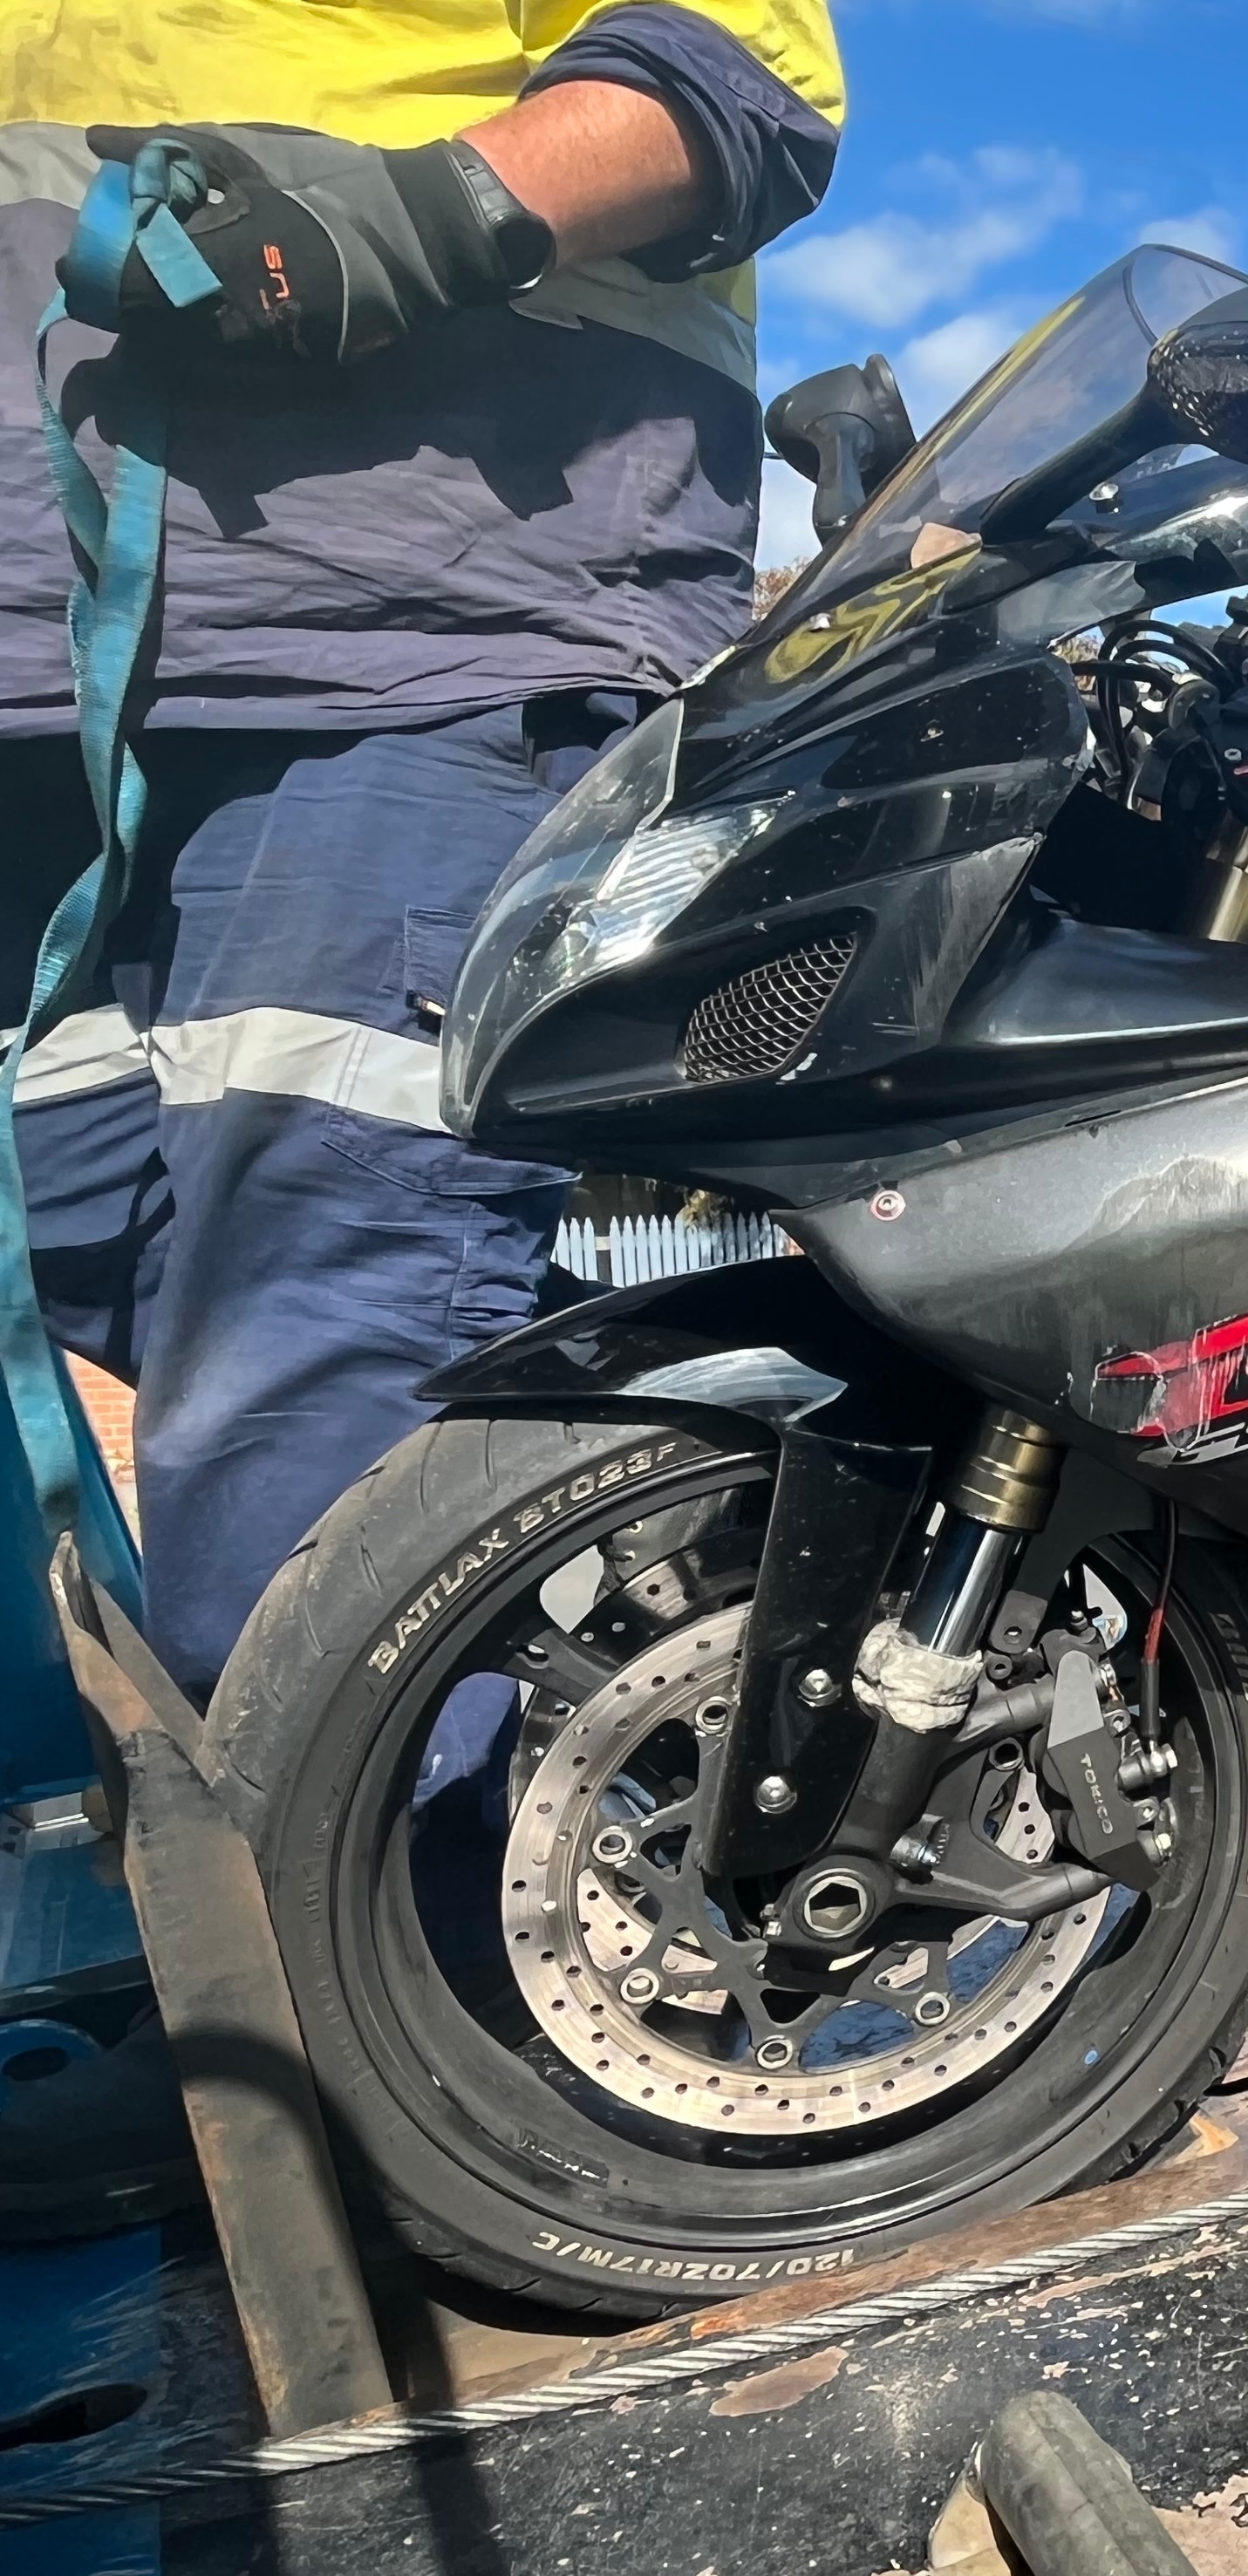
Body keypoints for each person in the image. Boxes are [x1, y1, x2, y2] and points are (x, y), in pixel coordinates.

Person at [3, 3, 842, 1700]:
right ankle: (175, 1915)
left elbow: (740, 81)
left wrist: (405, 218)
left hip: (412, 630)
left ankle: (360, 1945)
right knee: (80, 1339)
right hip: (54, 669)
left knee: (316, 1360)